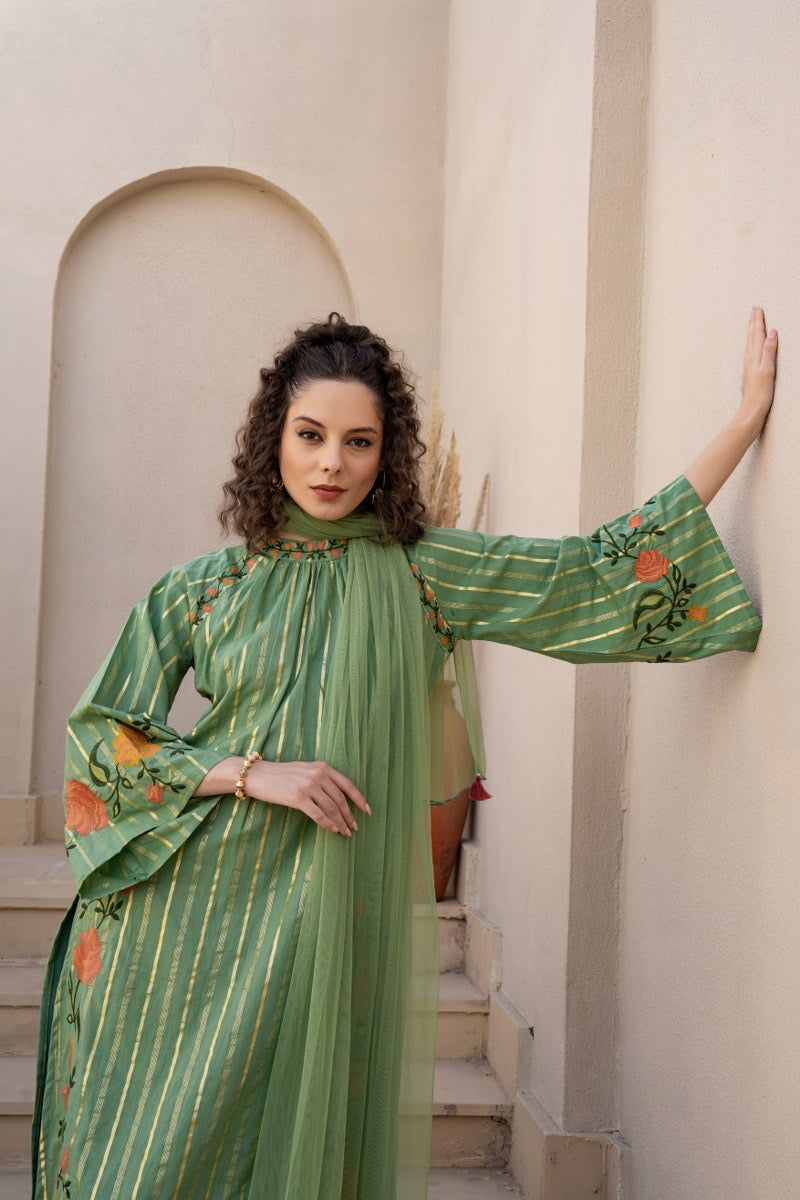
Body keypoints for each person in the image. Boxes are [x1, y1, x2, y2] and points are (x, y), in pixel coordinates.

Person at [32, 308, 776, 1200]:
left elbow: (590, 574)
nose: (331, 464)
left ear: (387, 455)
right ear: (274, 440)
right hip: (196, 916)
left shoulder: (425, 572)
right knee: (158, 1157)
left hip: (333, 913)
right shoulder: (203, 588)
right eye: (311, 436)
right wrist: (247, 772)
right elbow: (100, 733)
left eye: (359, 442)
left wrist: (743, 422)